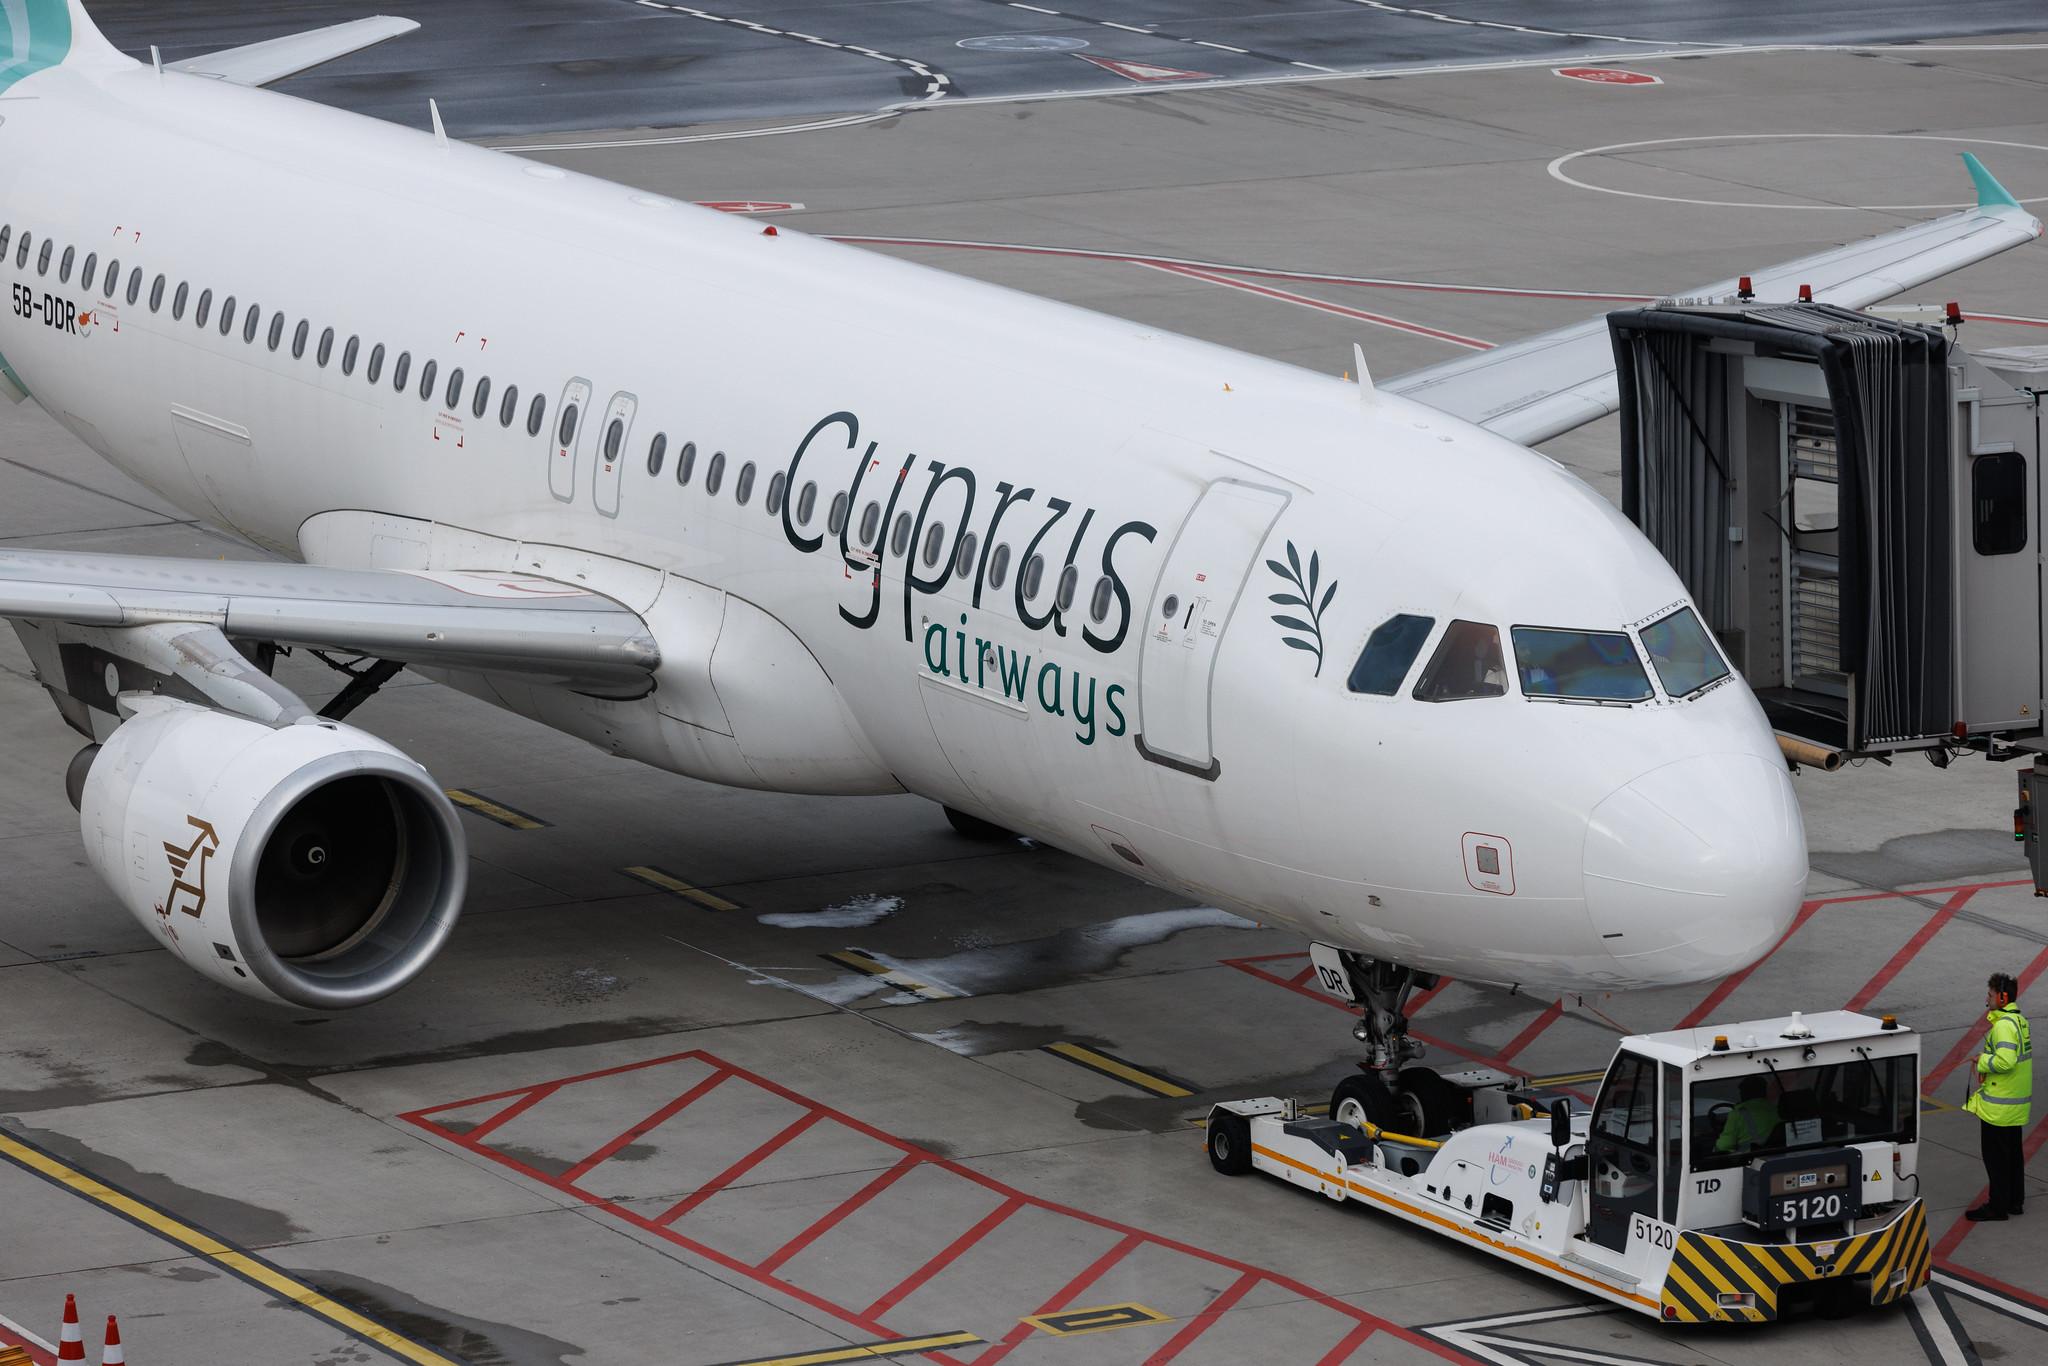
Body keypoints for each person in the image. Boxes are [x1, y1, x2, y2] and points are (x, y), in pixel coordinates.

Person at [1965, 970, 2032, 1222]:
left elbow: (2005, 1061)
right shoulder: (2019, 1021)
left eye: (1990, 995)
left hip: (1999, 1108)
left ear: (2002, 998)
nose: (1987, 999)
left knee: (1996, 1159)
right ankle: (2015, 1201)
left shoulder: (2003, 1026)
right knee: (2013, 1155)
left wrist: (1982, 1060)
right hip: (2014, 1105)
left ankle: (1997, 1206)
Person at [1715, 1075, 1780, 1154]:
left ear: (1744, 1093)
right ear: (1764, 1091)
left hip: (1748, 1158)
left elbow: (1724, 1146)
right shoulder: (1777, 1109)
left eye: (1741, 1091)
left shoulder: (1737, 1114)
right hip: (1780, 1154)